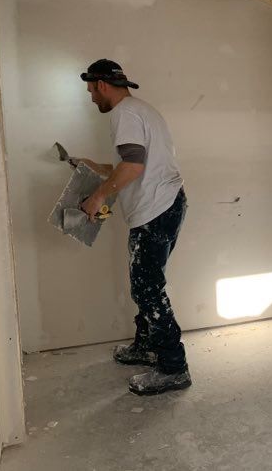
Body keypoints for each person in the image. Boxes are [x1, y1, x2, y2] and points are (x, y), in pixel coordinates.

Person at [78, 59, 191, 395]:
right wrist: (92, 166)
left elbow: (132, 166)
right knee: (146, 282)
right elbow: (132, 163)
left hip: (156, 209)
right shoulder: (140, 109)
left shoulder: (123, 114)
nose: (91, 99)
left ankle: (174, 367)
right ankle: (146, 346)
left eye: (90, 92)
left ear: (100, 85)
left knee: (147, 288)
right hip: (167, 203)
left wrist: (98, 196)